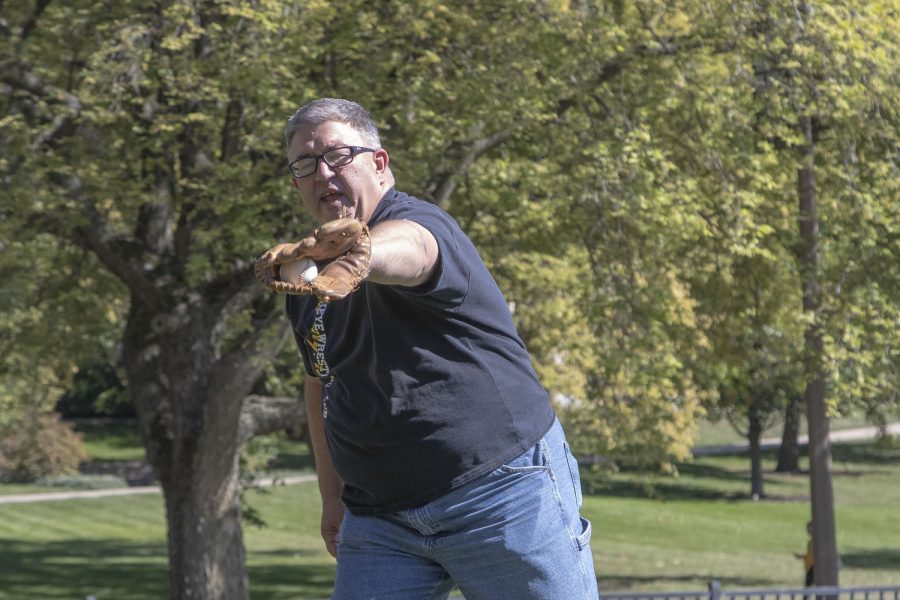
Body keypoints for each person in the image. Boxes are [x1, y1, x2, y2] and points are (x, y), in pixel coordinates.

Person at [267, 98, 598, 599]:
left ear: (379, 163)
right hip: (380, 521)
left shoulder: (420, 224)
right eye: (306, 165)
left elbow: (415, 251)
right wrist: (332, 497)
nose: (322, 174)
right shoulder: (309, 278)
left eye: (337, 156)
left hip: (499, 492)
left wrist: (363, 254)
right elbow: (322, 383)